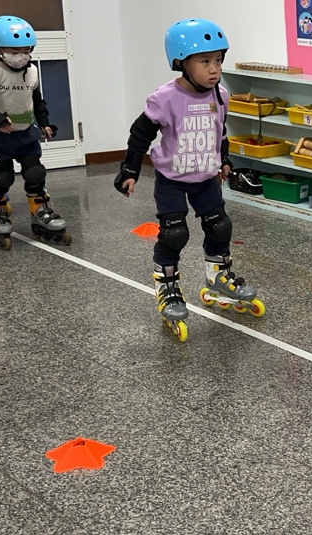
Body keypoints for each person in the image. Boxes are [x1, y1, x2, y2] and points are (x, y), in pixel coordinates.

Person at [113, 19, 265, 342]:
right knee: (174, 234)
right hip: (172, 179)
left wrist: (223, 160)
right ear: (181, 62)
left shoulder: (220, 94)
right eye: (205, 61)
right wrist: (129, 171)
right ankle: (167, 287)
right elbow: (140, 135)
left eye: (218, 60)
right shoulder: (165, 98)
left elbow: (220, 132)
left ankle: (218, 277)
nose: (215, 69)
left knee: (220, 227)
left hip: (206, 177)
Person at [0, 15, 69, 250]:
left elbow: (37, 100)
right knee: (2, 177)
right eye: (14, 51)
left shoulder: (32, 70)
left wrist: (45, 123)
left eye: (26, 51)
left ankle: (40, 210)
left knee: (35, 173)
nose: (21, 56)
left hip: (25, 133)